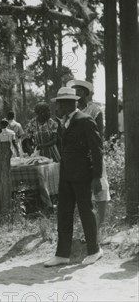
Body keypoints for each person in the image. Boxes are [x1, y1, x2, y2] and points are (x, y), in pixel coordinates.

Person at [45, 87, 104, 267]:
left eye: (59, 104)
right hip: (66, 176)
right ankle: (62, 254)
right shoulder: (63, 123)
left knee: (86, 211)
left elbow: (97, 150)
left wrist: (97, 177)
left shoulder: (85, 121)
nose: (56, 108)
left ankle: (94, 250)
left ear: (68, 104)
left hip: (83, 176)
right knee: (64, 212)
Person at [67, 79, 110, 231]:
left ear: (85, 93)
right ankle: (88, 224)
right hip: (78, 155)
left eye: (78, 91)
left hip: (92, 151)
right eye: (74, 91)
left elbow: (98, 134)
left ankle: (102, 223)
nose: (76, 94)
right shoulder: (73, 111)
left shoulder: (95, 110)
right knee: (82, 189)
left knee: (99, 185)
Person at [0, 119, 17, 212]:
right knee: (8, 165)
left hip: (1, 150)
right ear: (7, 125)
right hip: (8, 149)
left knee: (2, 167)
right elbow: (14, 143)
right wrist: (18, 152)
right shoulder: (11, 132)